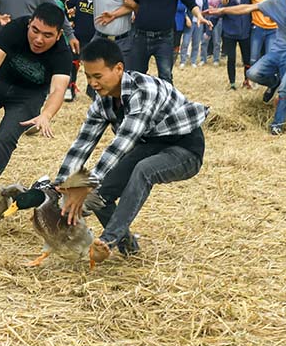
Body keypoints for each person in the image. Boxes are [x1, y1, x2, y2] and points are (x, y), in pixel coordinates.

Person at [54, 37, 207, 264]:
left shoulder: (144, 90)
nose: (93, 83)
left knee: (143, 170)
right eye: (88, 76)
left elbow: (123, 143)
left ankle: (108, 240)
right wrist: (62, 184)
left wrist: (84, 184)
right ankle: (129, 248)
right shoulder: (102, 103)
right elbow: (82, 144)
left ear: (118, 69)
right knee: (97, 196)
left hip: (184, 148)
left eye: (98, 76)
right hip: (148, 145)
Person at [0, 3, 72, 189]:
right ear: (29, 24)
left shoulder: (62, 54)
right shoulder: (14, 29)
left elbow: (58, 90)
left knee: (5, 138)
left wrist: (46, 115)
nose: (39, 39)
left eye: (48, 35)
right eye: (35, 30)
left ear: (59, 35)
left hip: (28, 96)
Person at [209, 0, 286, 134]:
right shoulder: (276, 2)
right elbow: (247, 8)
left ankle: (277, 124)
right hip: (277, 50)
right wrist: (222, 10)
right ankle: (273, 83)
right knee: (253, 74)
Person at [99, 0, 211, 84]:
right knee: (135, 76)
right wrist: (114, 14)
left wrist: (199, 15)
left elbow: (190, 3)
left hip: (164, 39)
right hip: (140, 37)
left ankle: (166, 104)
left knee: (165, 76)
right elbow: (135, 3)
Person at [218, 0, 253, 90]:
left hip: (245, 34)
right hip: (229, 34)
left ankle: (247, 80)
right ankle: (232, 82)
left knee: (247, 59)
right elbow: (219, 13)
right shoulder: (226, 1)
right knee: (231, 59)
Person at [244, 0, 279, 64]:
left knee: (269, 57)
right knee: (254, 58)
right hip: (257, 28)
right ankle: (254, 77)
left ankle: (268, 78)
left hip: (273, 29)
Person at [202, 0, 225, 65]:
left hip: (217, 19)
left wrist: (214, 9)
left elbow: (221, 6)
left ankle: (216, 59)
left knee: (217, 40)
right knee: (205, 39)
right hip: (206, 18)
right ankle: (203, 58)